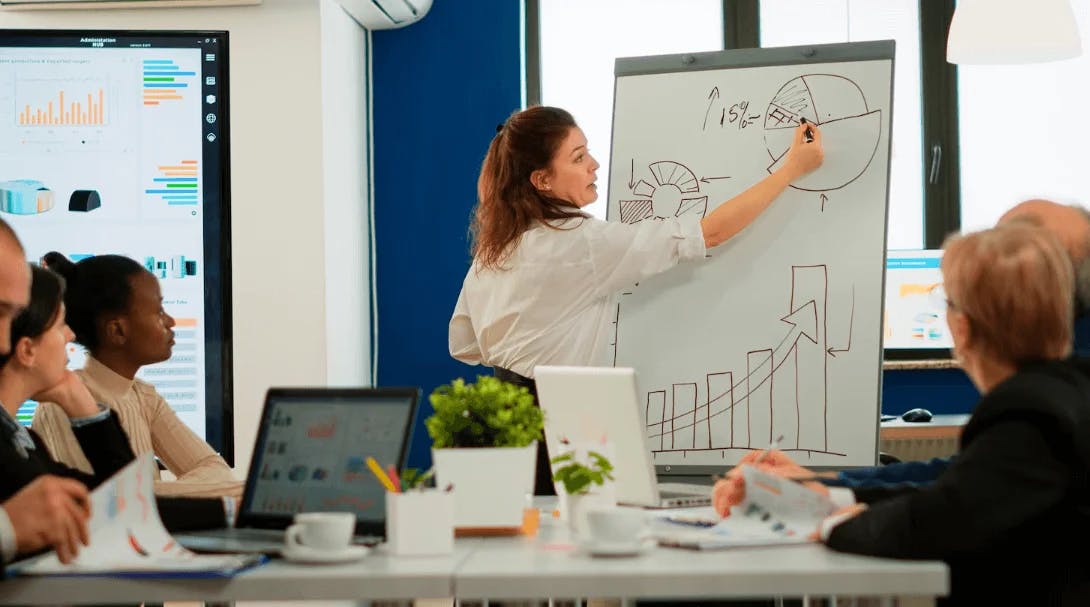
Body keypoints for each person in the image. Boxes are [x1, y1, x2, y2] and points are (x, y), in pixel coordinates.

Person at [449, 106, 824, 494]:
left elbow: (466, 344)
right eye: (578, 158)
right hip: (553, 427)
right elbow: (708, 233)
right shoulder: (581, 242)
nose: (594, 165)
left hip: (499, 429)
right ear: (542, 180)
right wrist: (791, 170)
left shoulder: (494, 250)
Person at [764, 224, 1090, 604]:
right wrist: (827, 493)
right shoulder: (1066, 392)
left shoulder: (1029, 415)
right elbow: (950, 487)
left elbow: (936, 521)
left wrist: (827, 524)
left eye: (947, 301)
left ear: (962, 328)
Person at [711, 198, 1090, 507]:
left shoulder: (1038, 405)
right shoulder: (1049, 392)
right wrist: (823, 483)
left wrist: (828, 506)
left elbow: (941, 510)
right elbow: (956, 480)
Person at [0, 264, 226, 534]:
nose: (70, 336)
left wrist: (81, 405)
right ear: (27, 350)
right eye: (60, 326)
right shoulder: (14, 447)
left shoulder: (26, 443)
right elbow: (117, 511)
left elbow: (124, 504)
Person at [33, 253, 241, 499]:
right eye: (159, 311)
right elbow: (110, 502)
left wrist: (149, 494)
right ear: (117, 330)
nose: (171, 321)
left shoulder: (144, 397)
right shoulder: (61, 407)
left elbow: (216, 470)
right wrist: (225, 492)